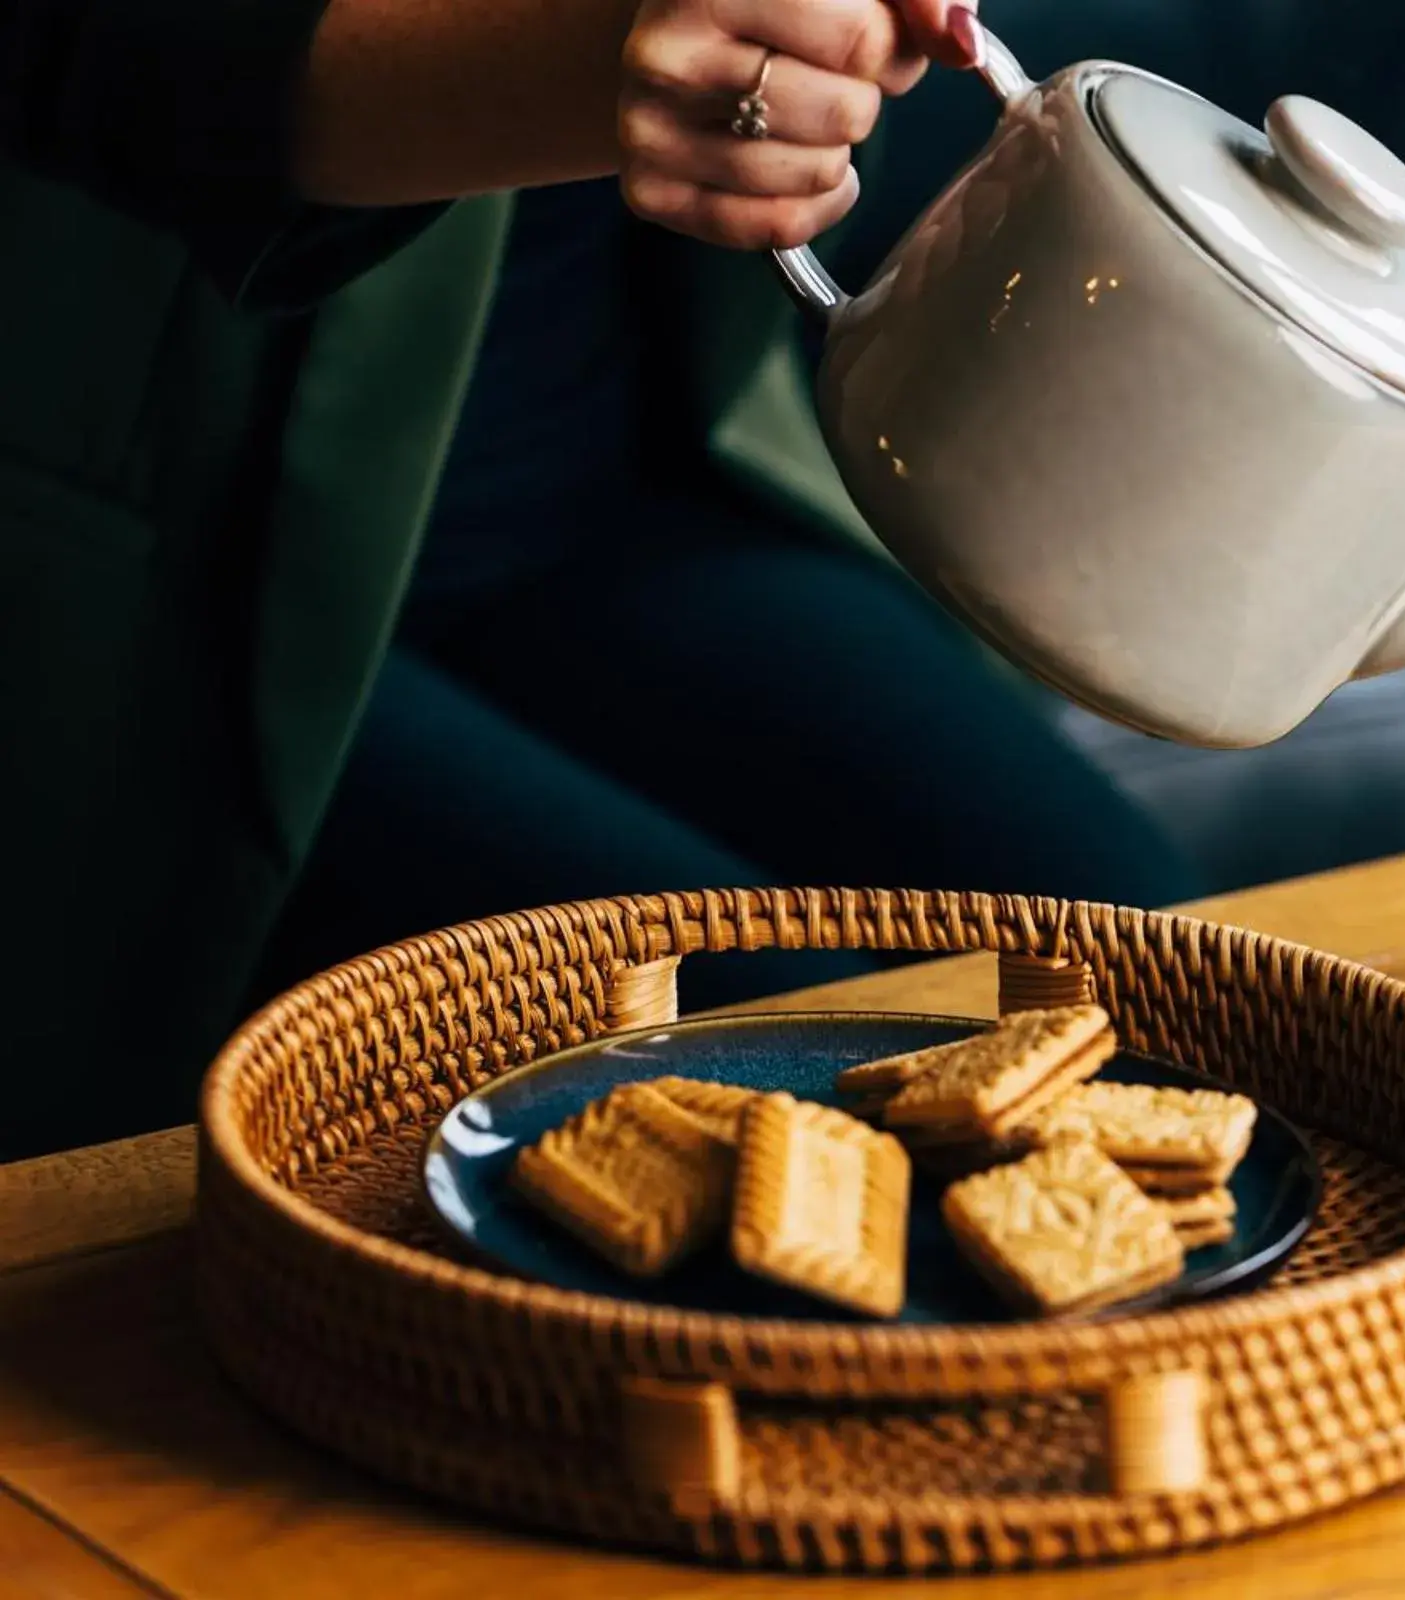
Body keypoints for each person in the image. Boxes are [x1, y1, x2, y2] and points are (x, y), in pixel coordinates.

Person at [0, 0, 1206, 1159]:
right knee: (801, 1056)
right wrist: (587, 55)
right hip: (174, 566)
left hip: (619, 477)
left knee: (1141, 964)